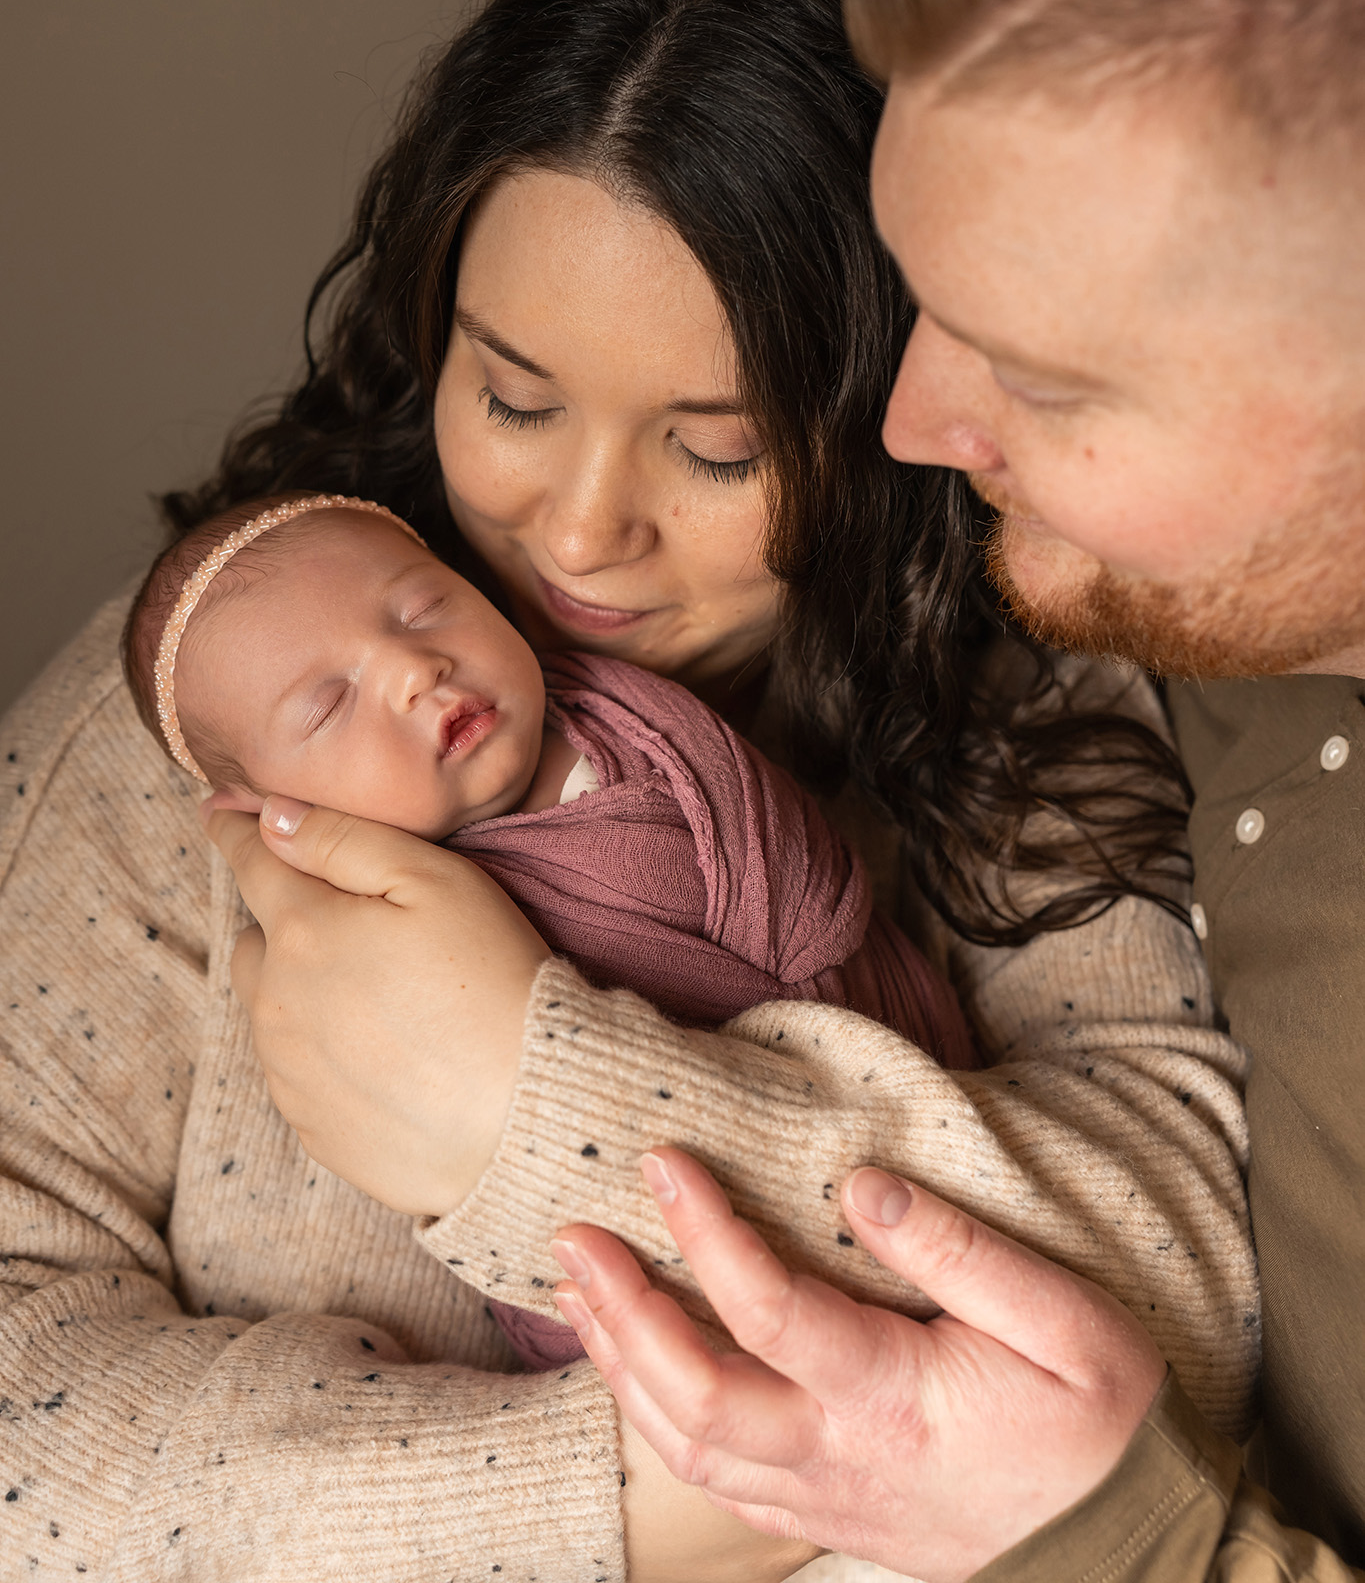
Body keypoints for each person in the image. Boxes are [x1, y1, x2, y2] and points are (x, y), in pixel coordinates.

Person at [0, 0, 1252, 1582]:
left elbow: (1181, 1262)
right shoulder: (215, 693)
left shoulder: (1017, 685)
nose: (580, 530)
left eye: (715, 449)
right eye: (513, 398)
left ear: (888, 416)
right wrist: (638, 1504)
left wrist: (534, 1103)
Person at [543, 0, 1365, 1583]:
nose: (910, 419)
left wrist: (1112, 1539)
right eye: (928, 308)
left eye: (1045, 370)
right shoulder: (1175, 609)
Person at [122, 486, 973, 1367]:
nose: (416, 668)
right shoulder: (366, 937)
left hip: (895, 1069)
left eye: (425, 607)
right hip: (653, 1250)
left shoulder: (612, 702)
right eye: (330, 705)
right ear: (266, 806)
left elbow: (790, 856)